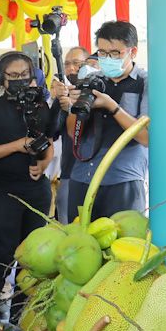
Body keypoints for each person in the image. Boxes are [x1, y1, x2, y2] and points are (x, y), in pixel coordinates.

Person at [0, 52, 57, 331]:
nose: (20, 81)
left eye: (25, 75)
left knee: (32, 256)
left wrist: (43, 163)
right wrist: (17, 145)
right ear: (1, 79)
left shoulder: (40, 107)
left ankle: (20, 315)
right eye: (14, 76)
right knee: (4, 254)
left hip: (38, 189)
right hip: (4, 189)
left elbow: (49, 143)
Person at [62, 21, 149, 218]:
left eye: (115, 53)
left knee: (122, 243)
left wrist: (112, 106)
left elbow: (145, 137)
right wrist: (76, 106)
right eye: (102, 53)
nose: (107, 58)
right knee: (81, 242)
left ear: (132, 52)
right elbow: (71, 131)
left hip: (122, 179)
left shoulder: (145, 82)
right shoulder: (93, 80)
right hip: (82, 175)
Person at [55, 47, 90, 222]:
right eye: (67, 64)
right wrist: (59, 103)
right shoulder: (62, 95)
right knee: (67, 227)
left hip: (97, 173)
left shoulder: (97, 93)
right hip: (69, 172)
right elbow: (53, 131)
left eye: (76, 63)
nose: (71, 69)